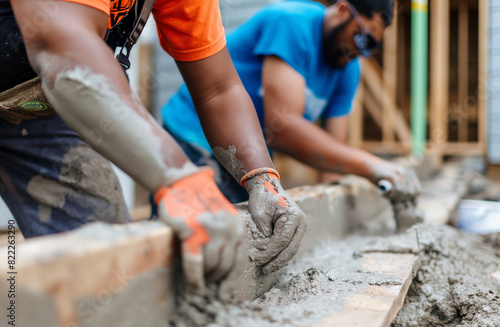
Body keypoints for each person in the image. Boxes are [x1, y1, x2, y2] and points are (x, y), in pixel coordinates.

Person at [0, 0, 307, 299]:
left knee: (106, 267)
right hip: (60, 70)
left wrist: (264, 179)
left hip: (33, 111)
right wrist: (177, 179)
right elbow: (62, 49)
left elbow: (218, 89)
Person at [162, 0, 422, 222]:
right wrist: (373, 166)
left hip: (242, 162)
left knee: (247, 233)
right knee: (197, 234)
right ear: (342, 10)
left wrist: (328, 212)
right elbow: (283, 128)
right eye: (360, 37)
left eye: (370, 46)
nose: (359, 51)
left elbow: (331, 154)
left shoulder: (347, 68)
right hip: (192, 140)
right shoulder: (291, 24)